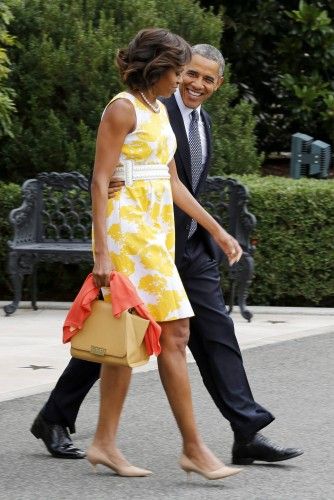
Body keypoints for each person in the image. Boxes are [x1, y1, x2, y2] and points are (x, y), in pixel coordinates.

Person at [31, 42, 303, 466]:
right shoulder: (144, 106)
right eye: (187, 73)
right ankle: (62, 417)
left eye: (206, 78)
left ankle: (245, 430)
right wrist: (106, 237)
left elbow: (177, 183)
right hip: (142, 241)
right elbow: (106, 174)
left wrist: (215, 231)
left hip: (183, 245)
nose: (193, 83)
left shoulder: (198, 120)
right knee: (124, 336)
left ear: (219, 84)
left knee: (210, 333)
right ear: (169, 69)